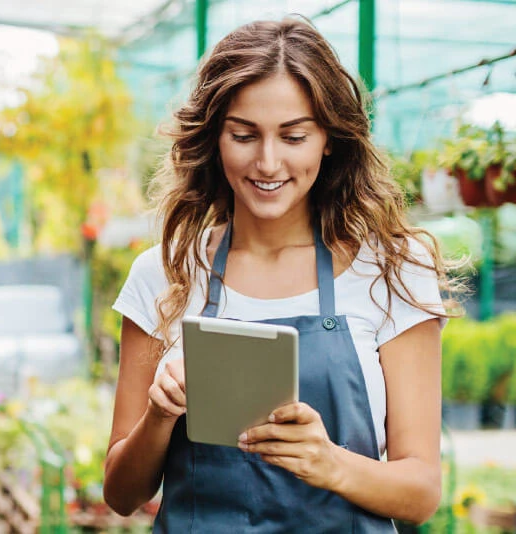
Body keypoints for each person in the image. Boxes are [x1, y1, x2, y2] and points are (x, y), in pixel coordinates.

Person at [103, 17, 461, 533]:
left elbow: (421, 493)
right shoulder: (165, 273)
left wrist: (329, 462)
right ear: (214, 138)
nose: (268, 162)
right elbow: (120, 492)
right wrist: (158, 415)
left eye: (294, 136)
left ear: (329, 140)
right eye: (243, 135)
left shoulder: (389, 273)